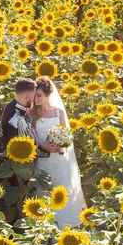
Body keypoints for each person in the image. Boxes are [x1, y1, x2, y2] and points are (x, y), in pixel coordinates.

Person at [30, 76, 87, 228]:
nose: (36, 99)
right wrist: (44, 145)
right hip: (42, 159)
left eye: (40, 95)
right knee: (45, 191)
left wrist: (61, 144)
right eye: (35, 95)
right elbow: (32, 137)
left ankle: (65, 226)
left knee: (63, 190)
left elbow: (65, 135)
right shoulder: (32, 114)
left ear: (48, 95)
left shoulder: (58, 113)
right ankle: (46, 226)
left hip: (59, 159)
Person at [0, 78, 43, 224]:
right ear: (27, 97)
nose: (34, 100)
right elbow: (13, 146)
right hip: (15, 169)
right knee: (13, 201)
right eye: (33, 97)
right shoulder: (14, 116)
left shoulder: (16, 107)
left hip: (21, 164)